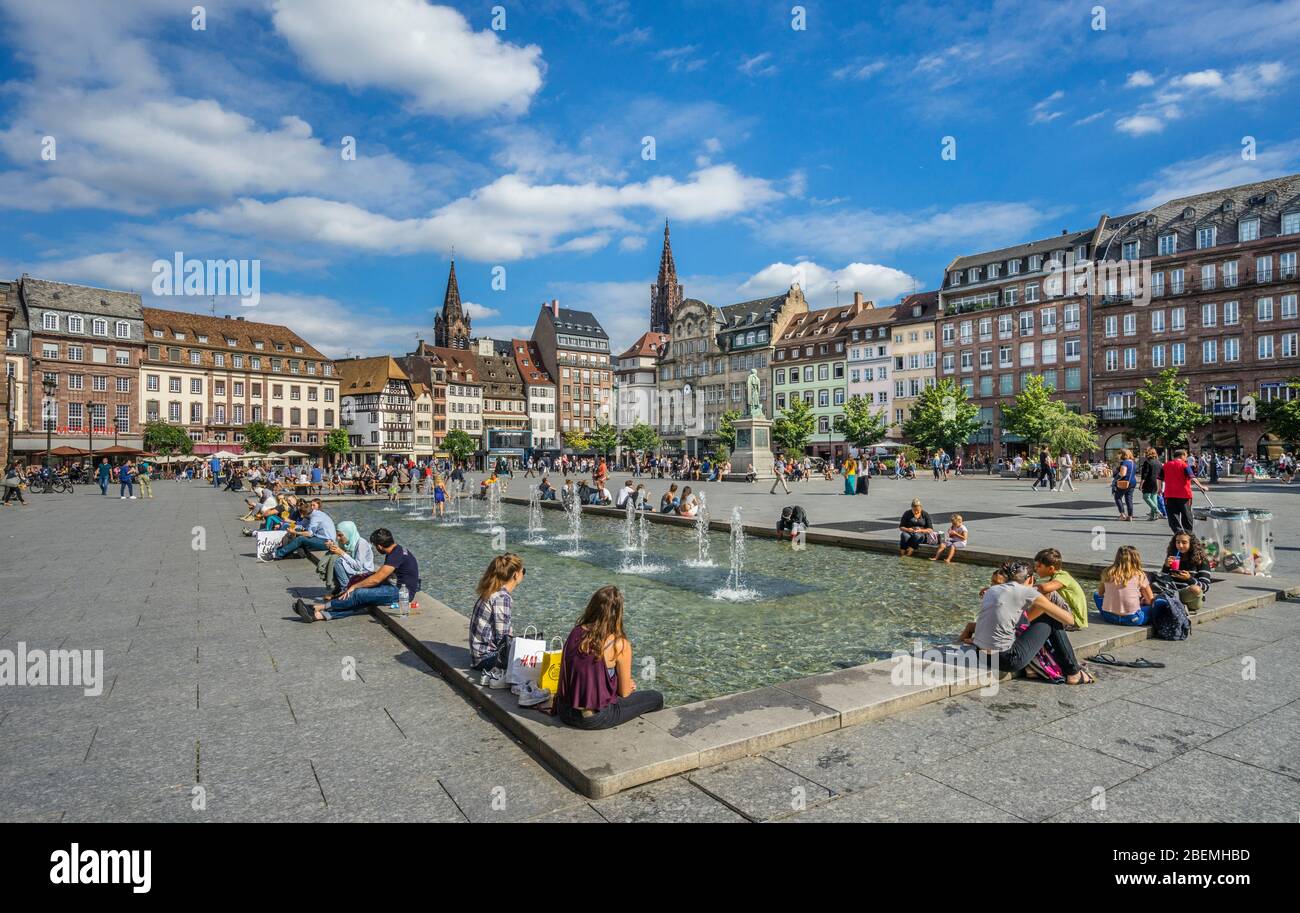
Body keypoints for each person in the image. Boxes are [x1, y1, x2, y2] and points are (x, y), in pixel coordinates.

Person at [958, 561, 1093, 683]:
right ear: (1030, 579)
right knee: (1050, 619)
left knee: (1026, 625)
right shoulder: (1027, 592)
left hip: (980, 654)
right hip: (1006, 660)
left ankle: (1033, 667)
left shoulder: (991, 590)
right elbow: (1069, 619)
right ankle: (1073, 672)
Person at [554, 586, 664, 730]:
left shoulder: (576, 632)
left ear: (592, 607)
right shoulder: (619, 643)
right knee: (656, 698)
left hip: (565, 711)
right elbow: (623, 693)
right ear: (618, 613)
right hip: (593, 718)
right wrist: (629, 685)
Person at [296, 528, 419, 622]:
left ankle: (318, 608)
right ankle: (320, 616)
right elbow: (385, 575)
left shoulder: (395, 555)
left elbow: (377, 579)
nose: (376, 549)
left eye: (376, 546)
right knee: (362, 600)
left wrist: (355, 586)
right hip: (397, 588)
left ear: (380, 546)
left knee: (359, 594)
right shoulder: (396, 550)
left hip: (402, 593)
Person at [468, 553, 524, 686]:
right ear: (516, 575)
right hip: (486, 659)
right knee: (532, 661)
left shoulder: (491, 590)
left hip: (478, 655)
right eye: (523, 571)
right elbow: (503, 640)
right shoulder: (502, 598)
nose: (523, 575)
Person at [1095, 545, 1154, 626]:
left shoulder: (1107, 572)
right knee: (1153, 606)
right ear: (1136, 559)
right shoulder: (1140, 575)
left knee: (1095, 595)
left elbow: (1100, 594)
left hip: (1109, 616)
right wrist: (1142, 601)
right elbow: (1150, 601)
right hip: (1132, 619)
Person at [1032, 547, 1088, 630]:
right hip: (1068, 616)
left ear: (1051, 568)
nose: (1035, 569)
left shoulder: (1063, 576)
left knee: (1048, 593)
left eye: (1038, 566)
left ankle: (1028, 619)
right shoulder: (1056, 577)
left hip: (1074, 620)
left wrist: (1024, 588)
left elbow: (1044, 588)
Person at [1157, 531, 1211, 614]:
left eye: (1184, 542)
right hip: (1173, 591)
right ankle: (1177, 604)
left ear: (1192, 544)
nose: (1180, 545)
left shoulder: (1202, 561)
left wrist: (1189, 579)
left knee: (1195, 589)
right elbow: (1163, 580)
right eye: (1178, 542)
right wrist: (1166, 566)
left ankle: (1174, 603)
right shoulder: (1173, 557)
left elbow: (1205, 586)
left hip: (1190, 597)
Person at [1159, 448, 1208, 535]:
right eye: (1186, 456)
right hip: (1184, 494)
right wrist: (1201, 486)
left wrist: (1159, 488)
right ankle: (1188, 532)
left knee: (1173, 515)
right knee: (1186, 514)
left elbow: (1159, 478)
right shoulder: (1184, 465)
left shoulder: (1166, 465)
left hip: (1169, 494)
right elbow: (1192, 477)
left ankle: (1178, 532)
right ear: (1182, 456)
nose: (1186, 458)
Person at [322, 520, 376, 594]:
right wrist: (331, 545)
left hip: (365, 573)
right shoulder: (349, 541)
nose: (338, 538)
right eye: (337, 535)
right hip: (356, 571)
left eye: (340, 535)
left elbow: (358, 566)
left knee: (338, 561)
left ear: (349, 533)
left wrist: (341, 553)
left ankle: (346, 590)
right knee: (334, 558)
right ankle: (339, 588)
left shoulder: (361, 543)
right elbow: (338, 547)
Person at [1111, 448, 1136, 521]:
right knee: (1129, 499)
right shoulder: (1133, 463)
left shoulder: (1125, 463)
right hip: (1132, 482)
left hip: (1124, 482)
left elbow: (1123, 473)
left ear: (1123, 455)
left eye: (1120, 454)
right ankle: (1130, 516)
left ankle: (1122, 514)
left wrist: (1116, 477)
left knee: (1117, 497)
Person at [1139, 447, 1163, 521]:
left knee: (1146, 497)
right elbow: (1161, 474)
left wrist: (1141, 484)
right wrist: (1160, 485)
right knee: (1154, 497)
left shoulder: (1147, 462)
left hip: (1149, 482)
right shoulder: (1159, 462)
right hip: (1157, 482)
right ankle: (1153, 516)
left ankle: (1157, 511)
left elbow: (1144, 475)